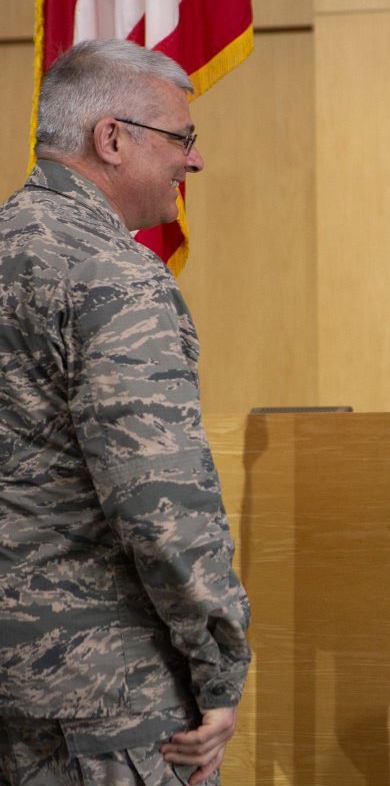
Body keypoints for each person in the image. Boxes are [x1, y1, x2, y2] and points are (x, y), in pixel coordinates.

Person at [0, 39, 250, 786]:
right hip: (101, 695)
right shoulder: (112, 275)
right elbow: (159, 503)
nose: (193, 162)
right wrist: (219, 668)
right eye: (183, 138)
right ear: (112, 138)